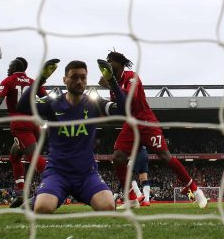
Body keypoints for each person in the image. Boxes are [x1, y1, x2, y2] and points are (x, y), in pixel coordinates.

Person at [98, 51, 207, 208]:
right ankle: (132, 199)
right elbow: (121, 108)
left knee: (165, 156)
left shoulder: (131, 76)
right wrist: (103, 105)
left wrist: (110, 84)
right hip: (131, 124)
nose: (108, 64)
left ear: (120, 63)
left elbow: (131, 97)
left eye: (111, 61)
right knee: (117, 156)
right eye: (107, 61)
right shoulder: (114, 84)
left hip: (146, 122)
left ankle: (196, 190)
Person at [16, 59, 126, 213]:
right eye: (74, 77)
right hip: (57, 173)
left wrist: (111, 80)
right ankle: (35, 200)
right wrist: (41, 78)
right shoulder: (52, 103)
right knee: (43, 209)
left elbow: (124, 110)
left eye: (83, 77)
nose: (79, 81)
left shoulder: (94, 104)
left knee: (108, 207)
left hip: (86, 174)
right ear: (64, 80)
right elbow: (22, 106)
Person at [0, 57, 48, 208]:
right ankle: (21, 194)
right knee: (14, 155)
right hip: (34, 123)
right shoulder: (33, 82)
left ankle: (54, 185)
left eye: (10, 65)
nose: (8, 67)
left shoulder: (8, 80)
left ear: (15, 66)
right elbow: (45, 99)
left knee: (33, 158)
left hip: (20, 124)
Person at [117, 145, 151, 209]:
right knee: (144, 178)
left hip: (137, 154)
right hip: (145, 153)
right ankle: (146, 201)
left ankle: (139, 195)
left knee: (127, 175)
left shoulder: (128, 136)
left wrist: (117, 191)